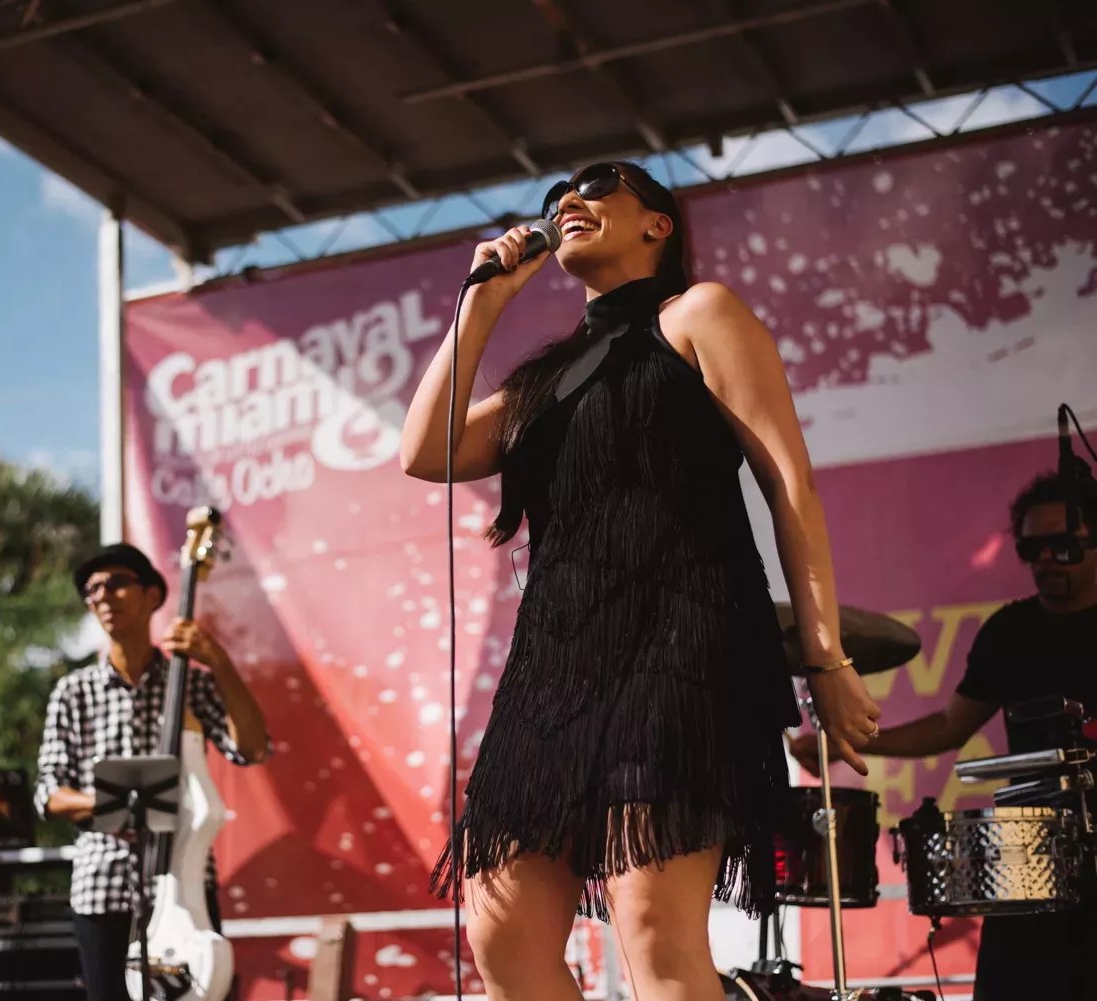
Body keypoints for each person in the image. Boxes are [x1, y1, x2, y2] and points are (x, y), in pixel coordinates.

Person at [399, 161, 881, 1001]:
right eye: (556, 200)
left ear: (659, 224)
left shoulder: (699, 313)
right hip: (555, 665)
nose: (567, 203)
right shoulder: (544, 379)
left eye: (597, 186)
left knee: (653, 926)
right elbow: (426, 452)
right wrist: (481, 306)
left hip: (680, 643)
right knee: (501, 929)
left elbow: (787, 483)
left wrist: (827, 658)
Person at [790, 471, 1097, 1001]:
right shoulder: (1010, 632)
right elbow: (950, 726)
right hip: (1034, 854)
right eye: (1031, 547)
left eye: (1063, 546)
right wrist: (853, 739)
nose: (1045, 559)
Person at [35, 542, 271, 1001]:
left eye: (117, 583)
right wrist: (116, 804)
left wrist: (218, 660)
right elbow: (48, 792)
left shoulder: (189, 681)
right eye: (92, 589)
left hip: (184, 878)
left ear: (152, 596)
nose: (102, 595)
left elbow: (252, 748)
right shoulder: (73, 691)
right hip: (102, 881)